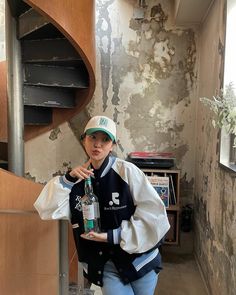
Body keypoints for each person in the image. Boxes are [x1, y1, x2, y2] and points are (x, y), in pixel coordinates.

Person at [35, 115, 170, 295]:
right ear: (84, 140)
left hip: (141, 260)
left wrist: (111, 236)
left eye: (105, 140)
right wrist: (68, 179)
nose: (97, 144)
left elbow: (155, 215)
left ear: (112, 144)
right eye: (93, 138)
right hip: (106, 266)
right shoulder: (75, 183)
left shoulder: (127, 172)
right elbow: (46, 209)